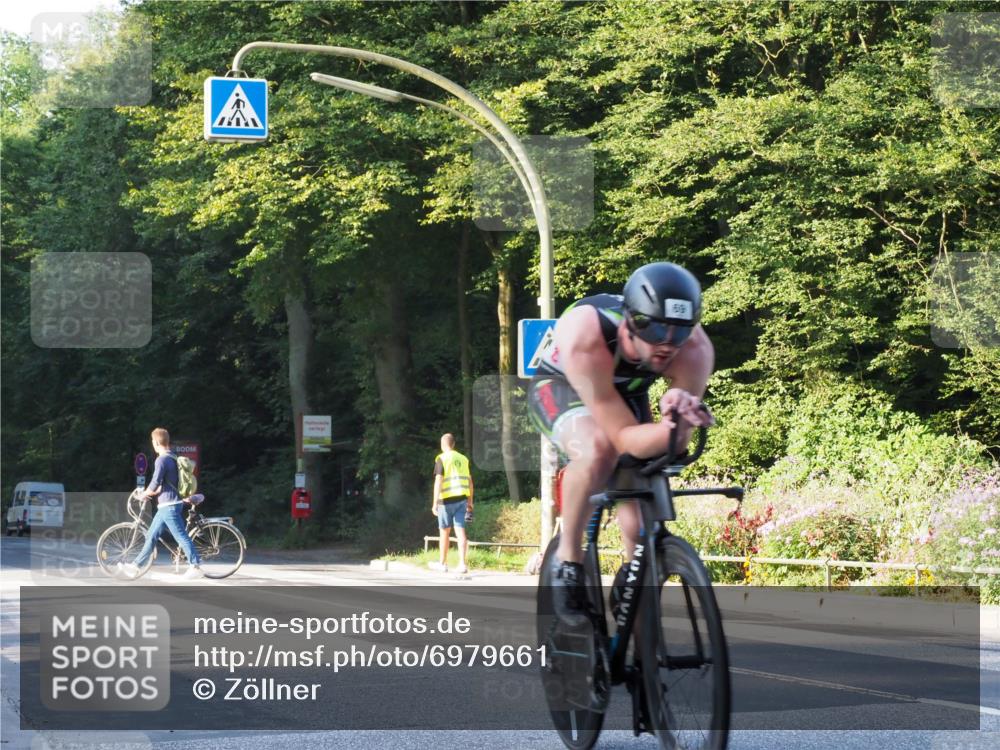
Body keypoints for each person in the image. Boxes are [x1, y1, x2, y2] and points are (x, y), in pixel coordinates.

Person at [528, 262, 715, 625]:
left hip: (625, 394)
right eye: (656, 329)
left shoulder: (695, 349)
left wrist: (677, 417)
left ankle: (634, 590)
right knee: (598, 449)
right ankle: (568, 562)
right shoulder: (586, 332)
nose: (666, 344)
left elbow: (670, 431)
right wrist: (670, 433)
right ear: (631, 320)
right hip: (561, 385)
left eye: (677, 334)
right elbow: (623, 438)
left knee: (638, 512)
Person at [119, 428, 204, 580]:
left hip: (169, 505)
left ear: (156, 442)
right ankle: (135, 566)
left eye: (152, 442)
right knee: (151, 536)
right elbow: (162, 485)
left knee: (181, 536)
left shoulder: (162, 459)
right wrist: (150, 493)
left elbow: (155, 482)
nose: (152, 444)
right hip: (167, 504)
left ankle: (195, 565)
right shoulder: (172, 457)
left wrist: (143, 494)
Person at [429, 433, 474, 574]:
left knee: (444, 532)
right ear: (453, 444)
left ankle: (443, 564)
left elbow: (439, 481)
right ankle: (462, 564)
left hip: (445, 501)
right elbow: (470, 482)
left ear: (443, 445)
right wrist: (470, 502)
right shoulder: (463, 459)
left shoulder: (441, 458)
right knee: (460, 531)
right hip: (461, 499)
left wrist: (434, 502)